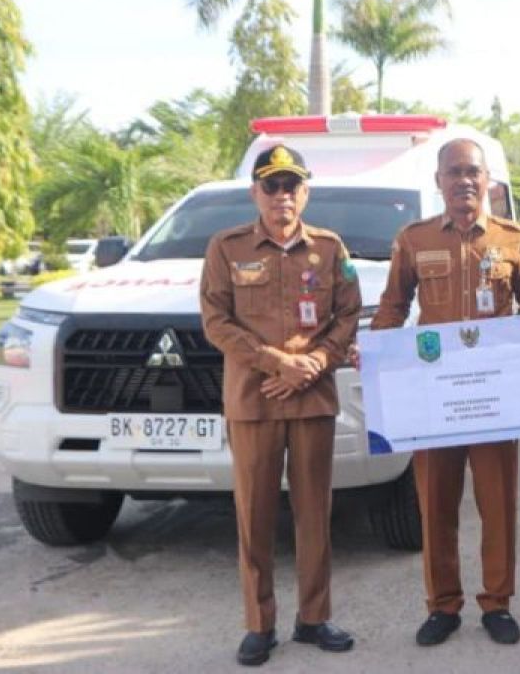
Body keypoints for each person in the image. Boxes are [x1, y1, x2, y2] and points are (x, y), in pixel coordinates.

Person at [370, 138, 520, 647]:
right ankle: (443, 605)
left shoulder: (515, 239)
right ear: (439, 182)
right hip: (434, 400)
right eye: (454, 172)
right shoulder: (414, 239)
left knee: (498, 505)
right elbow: (393, 308)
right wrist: (380, 354)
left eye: (473, 172)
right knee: (436, 505)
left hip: (494, 399)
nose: (464, 181)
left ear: (488, 180)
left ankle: (497, 603)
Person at [200, 145, 360, 666]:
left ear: (304, 193)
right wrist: (276, 363)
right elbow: (216, 321)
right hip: (254, 400)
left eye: (291, 186)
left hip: (313, 399)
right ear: (255, 193)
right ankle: (259, 623)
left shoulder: (331, 249)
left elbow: (347, 315)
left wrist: (314, 362)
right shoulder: (226, 248)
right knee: (255, 516)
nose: (281, 196)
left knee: (315, 514)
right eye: (271, 186)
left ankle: (314, 618)